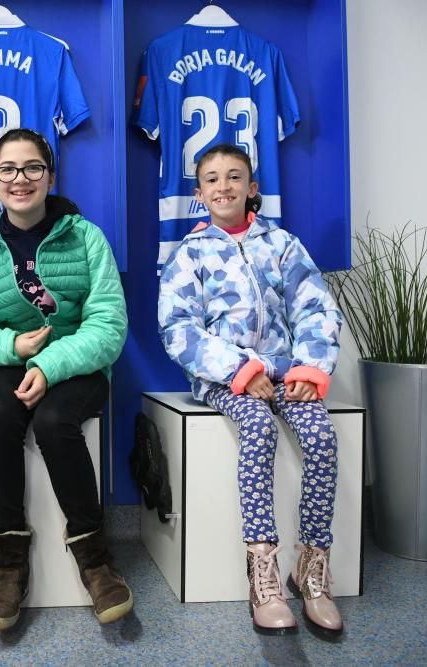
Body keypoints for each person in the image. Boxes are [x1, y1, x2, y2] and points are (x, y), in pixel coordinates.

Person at [158, 144, 344, 638]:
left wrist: (310, 368)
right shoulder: (190, 255)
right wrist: (238, 370)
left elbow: (315, 309)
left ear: (252, 188)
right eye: (212, 179)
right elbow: (178, 327)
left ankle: (312, 569)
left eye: (234, 177)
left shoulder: (283, 245)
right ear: (199, 194)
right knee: (258, 429)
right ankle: (263, 574)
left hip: (288, 374)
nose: (224, 186)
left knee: (322, 438)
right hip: (226, 380)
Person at [0, 128, 133, 630]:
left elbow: (108, 325)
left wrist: (48, 364)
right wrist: (11, 348)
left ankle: (97, 561)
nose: (21, 179)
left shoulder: (85, 236)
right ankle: (8, 566)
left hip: (75, 364)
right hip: (4, 365)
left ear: (50, 176)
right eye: (8, 170)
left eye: (33, 168)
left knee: (56, 421)